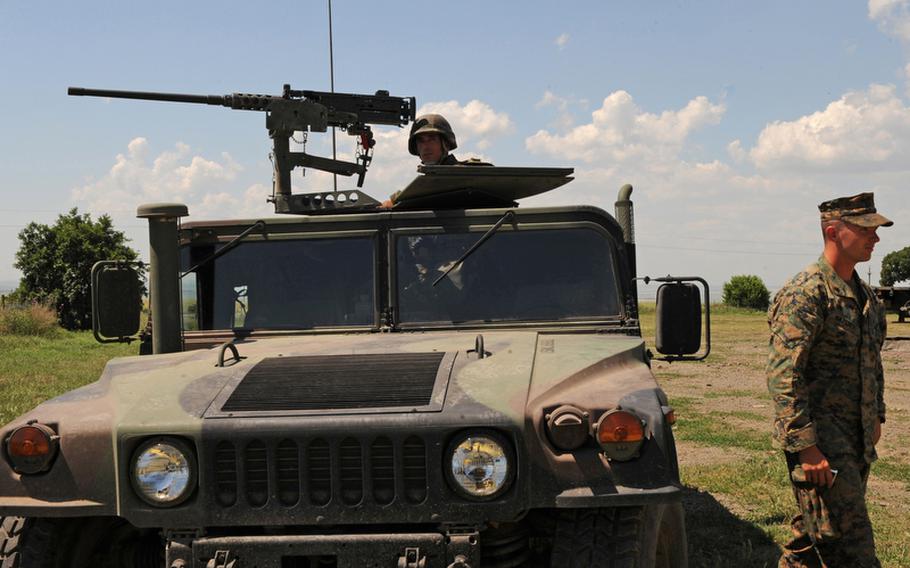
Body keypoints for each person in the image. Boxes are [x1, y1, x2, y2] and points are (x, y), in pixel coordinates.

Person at [767, 192, 893, 567]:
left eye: (876, 229)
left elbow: (873, 362)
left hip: (855, 440)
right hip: (822, 442)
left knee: (813, 537)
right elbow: (784, 375)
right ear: (834, 231)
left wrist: (877, 417)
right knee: (853, 548)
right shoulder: (806, 294)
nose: (875, 237)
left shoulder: (866, 297)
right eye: (866, 228)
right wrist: (806, 447)